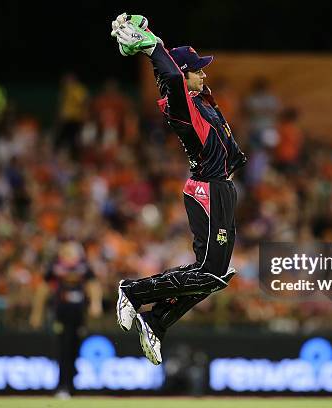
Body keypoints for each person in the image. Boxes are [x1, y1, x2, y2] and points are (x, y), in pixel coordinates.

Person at [111, 13, 247, 365]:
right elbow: (171, 75)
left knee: (217, 277)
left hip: (222, 188)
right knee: (209, 271)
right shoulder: (181, 103)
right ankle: (133, 291)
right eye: (198, 70)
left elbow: (233, 153)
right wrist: (153, 45)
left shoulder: (202, 103)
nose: (205, 74)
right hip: (207, 187)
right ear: (185, 76)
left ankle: (156, 322)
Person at [29, 240, 102, 397]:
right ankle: (63, 386)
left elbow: (93, 285)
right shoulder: (55, 268)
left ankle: (71, 385)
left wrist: (96, 303)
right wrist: (37, 313)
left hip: (78, 317)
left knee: (75, 350)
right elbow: (43, 289)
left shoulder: (83, 267)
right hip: (61, 316)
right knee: (63, 350)